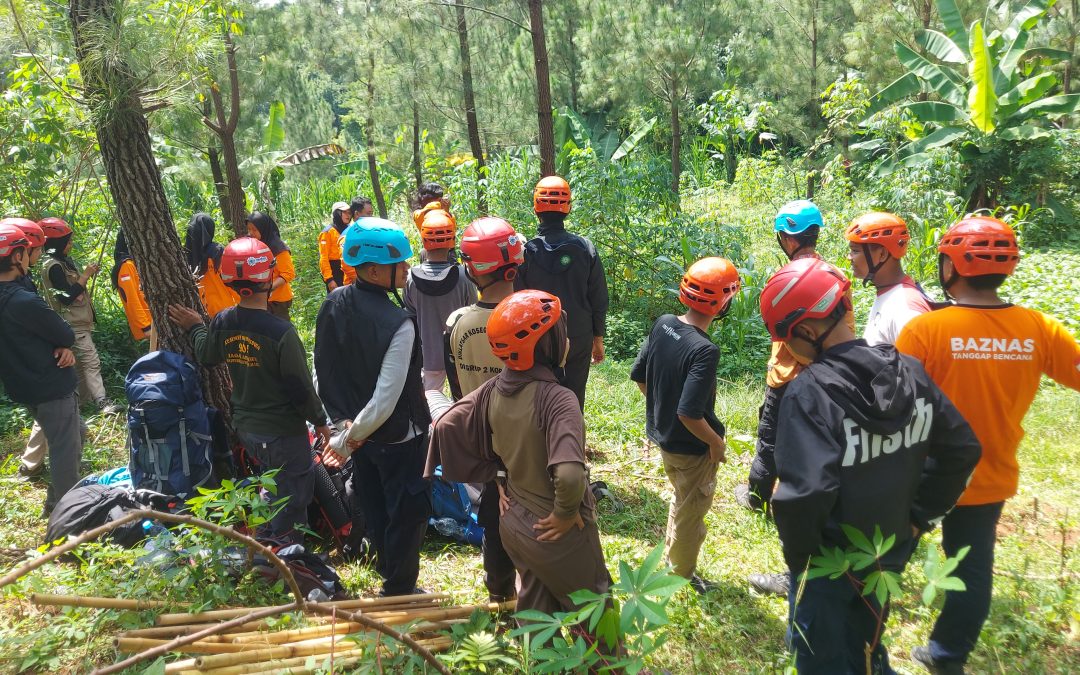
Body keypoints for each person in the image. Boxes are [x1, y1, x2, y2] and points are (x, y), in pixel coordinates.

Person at [759, 257, 981, 675]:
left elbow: (806, 493)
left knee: (820, 658)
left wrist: (800, 560)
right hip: (887, 550)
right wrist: (918, 517)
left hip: (828, 562)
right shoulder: (910, 372)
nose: (788, 349)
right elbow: (962, 448)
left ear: (806, 332)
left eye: (787, 338)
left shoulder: (809, 394)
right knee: (867, 641)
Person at [894, 216, 1080, 674]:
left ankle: (860, 635)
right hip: (989, 473)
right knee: (972, 569)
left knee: (888, 556)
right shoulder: (1038, 328)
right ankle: (947, 655)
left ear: (952, 266)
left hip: (921, 473)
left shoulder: (926, 330)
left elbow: (893, 404)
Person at [428, 290, 612, 652]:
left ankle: (540, 662)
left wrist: (497, 476)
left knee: (536, 607)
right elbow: (569, 475)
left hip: (513, 522)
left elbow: (446, 425)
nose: (569, 340)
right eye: (561, 332)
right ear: (545, 345)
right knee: (594, 608)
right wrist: (565, 513)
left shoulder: (492, 390)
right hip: (555, 529)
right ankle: (613, 667)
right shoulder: (559, 400)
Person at [168, 237, 331, 544]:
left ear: (228, 281)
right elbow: (300, 387)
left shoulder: (223, 321)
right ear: (268, 278)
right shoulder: (281, 332)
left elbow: (207, 354)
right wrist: (321, 422)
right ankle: (285, 553)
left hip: (248, 429)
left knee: (272, 484)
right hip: (283, 432)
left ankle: (268, 543)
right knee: (292, 494)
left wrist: (196, 327)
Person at [737, 200, 853, 597]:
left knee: (770, 440)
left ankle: (758, 497)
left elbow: (781, 331)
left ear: (787, 238)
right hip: (826, 379)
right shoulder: (835, 277)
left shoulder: (785, 278)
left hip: (787, 376)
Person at [314, 219, 432, 596]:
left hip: (360, 436)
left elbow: (323, 372)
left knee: (375, 505)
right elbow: (386, 397)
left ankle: (388, 574)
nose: (407, 269)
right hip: (397, 437)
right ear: (376, 270)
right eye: (400, 263)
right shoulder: (399, 323)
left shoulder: (332, 304)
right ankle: (400, 587)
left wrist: (343, 427)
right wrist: (348, 439)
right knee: (407, 512)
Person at [630, 257, 739, 594]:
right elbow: (689, 414)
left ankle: (672, 560)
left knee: (682, 500)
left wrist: (660, 408)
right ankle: (680, 576)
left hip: (664, 438)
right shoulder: (705, 350)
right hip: (691, 448)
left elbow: (639, 375)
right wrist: (716, 443)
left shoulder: (663, 323)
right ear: (723, 302)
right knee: (691, 513)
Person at [443, 216, 524, 603]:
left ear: (471, 268)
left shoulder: (456, 323)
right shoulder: (537, 317)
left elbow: (459, 390)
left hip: (485, 442)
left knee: (493, 519)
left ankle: (501, 595)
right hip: (528, 443)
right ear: (514, 265)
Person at [0, 223, 83, 513]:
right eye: (26, 251)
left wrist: (60, 344)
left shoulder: (13, 295)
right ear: (17, 256)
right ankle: (68, 517)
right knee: (65, 453)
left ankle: (56, 503)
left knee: (75, 434)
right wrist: (62, 344)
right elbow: (65, 333)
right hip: (50, 384)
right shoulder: (22, 301)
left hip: (24, 383)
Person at [514, 176, 608, 411]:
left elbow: (518, 299)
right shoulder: (586, 249)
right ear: (568, 208)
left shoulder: (525, 253)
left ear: (536, 208)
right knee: (574, 397)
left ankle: (542, 433)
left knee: (540, 396)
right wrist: (598, 339)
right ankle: (572, 432)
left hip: (539, 336)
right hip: (578, 335)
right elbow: (598, 297)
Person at [37, 216, 122, 414]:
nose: (70, 245)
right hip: (72, 323)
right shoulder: (54, 266)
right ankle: (102, 402)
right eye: (67, 242)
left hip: (74, 323)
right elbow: (66, 297)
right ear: (57, 243)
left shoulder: (61, 262)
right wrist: (85, 276)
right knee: (91, 361)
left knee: (80, 365)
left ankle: (81, 404)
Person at [404, 210, 477, 392]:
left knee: (431, 399)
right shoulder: (464, 277)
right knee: (464, 397)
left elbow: (410, 314)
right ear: (452, 241)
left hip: (428, 354)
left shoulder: (410, 278)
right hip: (460, 352)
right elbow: (473, 311)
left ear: (423, 240)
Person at [845, 212, 932, 345]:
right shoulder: (890, 295)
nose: (849, 257)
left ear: (882, 254)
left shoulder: (904, 309)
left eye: (855, 251)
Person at [186, 213, 238, 318]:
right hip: (224, 310)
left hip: (198, 313)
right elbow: (232, 281)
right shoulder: (217, 252)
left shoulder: (183, 255)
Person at [246, 212, 294, 321]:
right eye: (249, 229)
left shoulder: (278, 249)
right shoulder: (251, 247)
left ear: (263, 229)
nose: (251, 233)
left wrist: (268, 288)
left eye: (254, 230)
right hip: (258, 299)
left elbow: (288, 273)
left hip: (277, 301)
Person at [110, 230, 152, 343]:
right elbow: (131, 299)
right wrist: (146, 327)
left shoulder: (134, 263)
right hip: (148, 325)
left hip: (153, 321)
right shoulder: (126, 266)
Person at [319, 201, 355, 292]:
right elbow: (323, 258)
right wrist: (329, 279)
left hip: (349, 270)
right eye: (344, 212)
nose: (348, 215)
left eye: (349, 213)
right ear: (337, 213)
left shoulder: (350, 230)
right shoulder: (327, 232)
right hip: (335, 272)